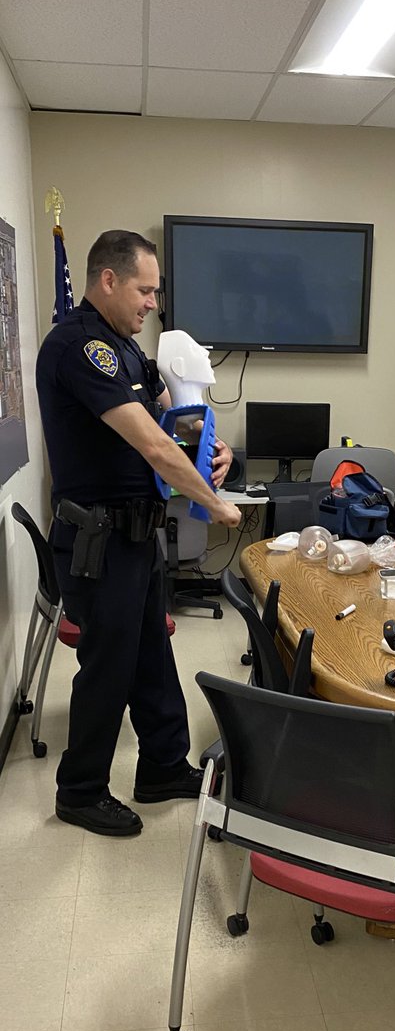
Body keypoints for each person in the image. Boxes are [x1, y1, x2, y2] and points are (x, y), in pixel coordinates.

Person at [37, 230, 242, 839]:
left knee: (150, 654)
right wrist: (215, 502)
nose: (153, 302)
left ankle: (160, 767)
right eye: (145, 289)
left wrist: (213, 448)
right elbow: (151, 445)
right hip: (98, 543)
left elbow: (171, 422)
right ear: (108, 280)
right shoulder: (81, 348)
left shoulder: (127, 350)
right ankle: (79, 791)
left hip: (136, 534)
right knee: (109, 666)